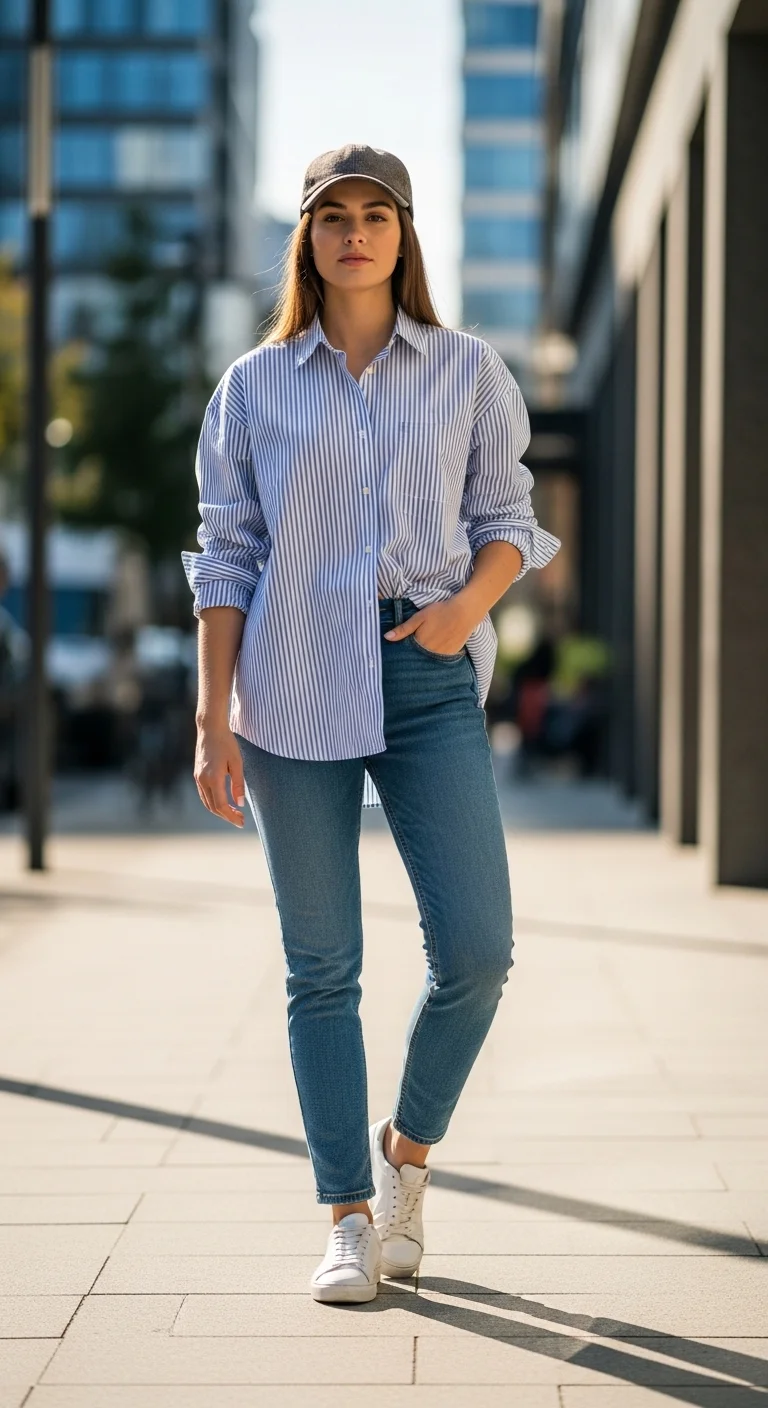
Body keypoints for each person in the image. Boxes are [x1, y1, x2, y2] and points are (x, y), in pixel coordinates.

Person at [182, 145, 560, 1304]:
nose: (355, 232)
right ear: (307, 237)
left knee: (479, 953)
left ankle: (406, 1154)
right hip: (290, 680)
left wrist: (462, 612)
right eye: (334, 215)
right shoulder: (253, 386)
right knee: (322, 967)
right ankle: (347, 1215)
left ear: (404, 234)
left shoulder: (467, 369)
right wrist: (210, 715)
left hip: (424, 673)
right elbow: (227, 556)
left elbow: (508, 519)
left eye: (376, 214)